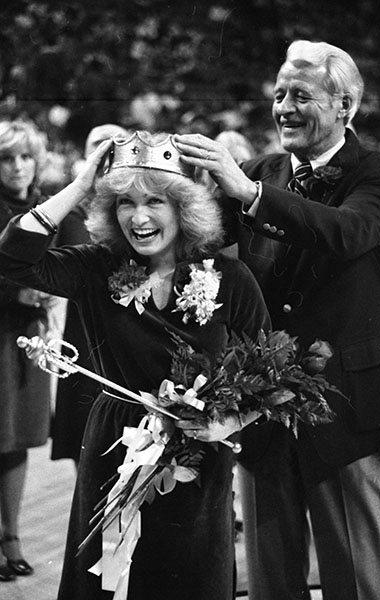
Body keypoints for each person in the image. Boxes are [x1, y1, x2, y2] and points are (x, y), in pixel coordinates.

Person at [0, 130, 270, 599]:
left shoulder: (229, 276)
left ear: (184, 208)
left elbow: (272, 372)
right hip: (113, 443)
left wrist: (226, 423)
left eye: (155, 202)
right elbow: (12, 258)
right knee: (108, 582)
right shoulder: (95, 267)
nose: (139, 217)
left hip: (198, 457)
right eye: (124, 202)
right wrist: (83, 185)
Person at [173, 40, 380, 600]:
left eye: (302, 95)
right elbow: (199, 251)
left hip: (347, 409)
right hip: (260, 412)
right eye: (279, 94)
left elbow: (346, 234)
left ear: (345, 105)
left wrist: (247, 192)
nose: (285, 107)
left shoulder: (377, 175)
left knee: (357, 578)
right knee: (270, 576)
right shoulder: (259, 172)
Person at [52, 123, 128, 465]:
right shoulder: (69, 211)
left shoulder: (137, 211)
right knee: (83, 432)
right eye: (99, 148)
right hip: (82, 332)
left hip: (127, 331)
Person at [0, 119, 54, 581]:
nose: (18, 167)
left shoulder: (45, 207)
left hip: (28, 337)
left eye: (24, 157)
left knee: (17, 439)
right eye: (6, 158)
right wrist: (12, 293)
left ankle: (12, 536)